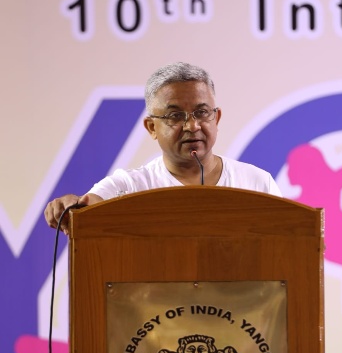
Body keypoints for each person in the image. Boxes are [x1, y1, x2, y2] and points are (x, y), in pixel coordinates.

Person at [43, 62, 281, 231]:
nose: (192, 125)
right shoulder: (129, 187)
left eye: (201, 112)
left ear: (216, 119)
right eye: (175, 116)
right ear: (151, 128)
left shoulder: (257, 183)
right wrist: (69, 206)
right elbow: (87, 207)